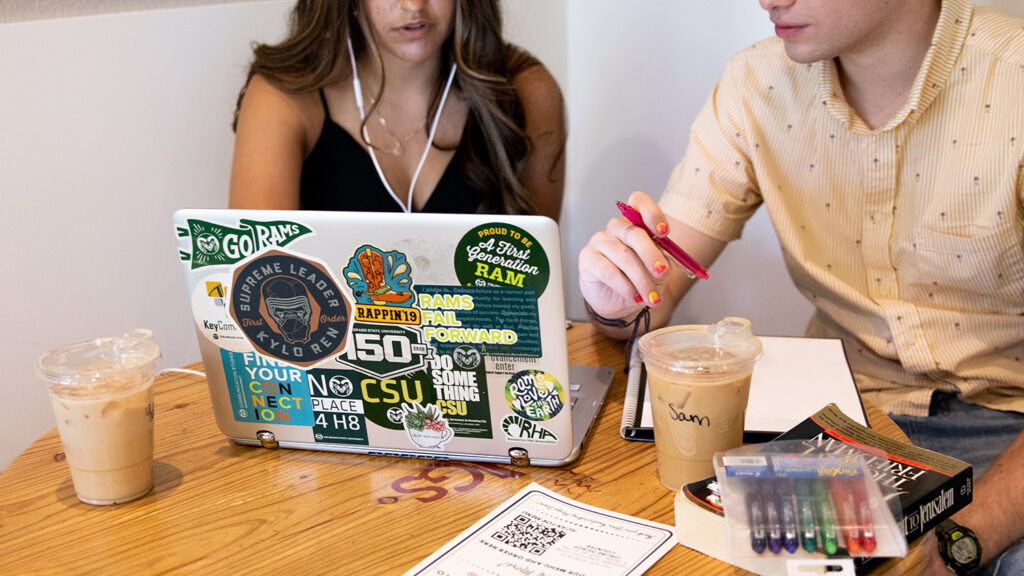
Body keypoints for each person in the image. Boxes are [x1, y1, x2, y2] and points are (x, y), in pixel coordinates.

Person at [578, 0, 1023, 574]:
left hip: (1006, 424)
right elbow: (650, 300)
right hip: (840, 421)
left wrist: (965, 538)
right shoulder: (756, 83)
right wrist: (616, 302)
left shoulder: (1009, 81)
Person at [229, 0, 565, 219]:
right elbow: (260, 289)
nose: (414, 6)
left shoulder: (526, 92)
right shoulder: (283, 98)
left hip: (489, 331)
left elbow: (535, 290)